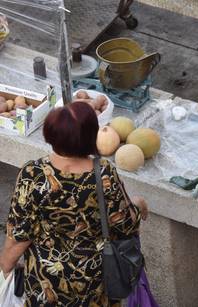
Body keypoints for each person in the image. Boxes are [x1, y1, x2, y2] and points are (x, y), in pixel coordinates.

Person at [0, 101, 148, 306]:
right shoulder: (103, 173)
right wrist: (138, 204)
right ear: (91, 136)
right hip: (95, 282)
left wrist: (6, 267)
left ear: (50, 135)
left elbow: (19, 235)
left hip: (45, 285)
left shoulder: (33, 175)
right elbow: (125, 226)